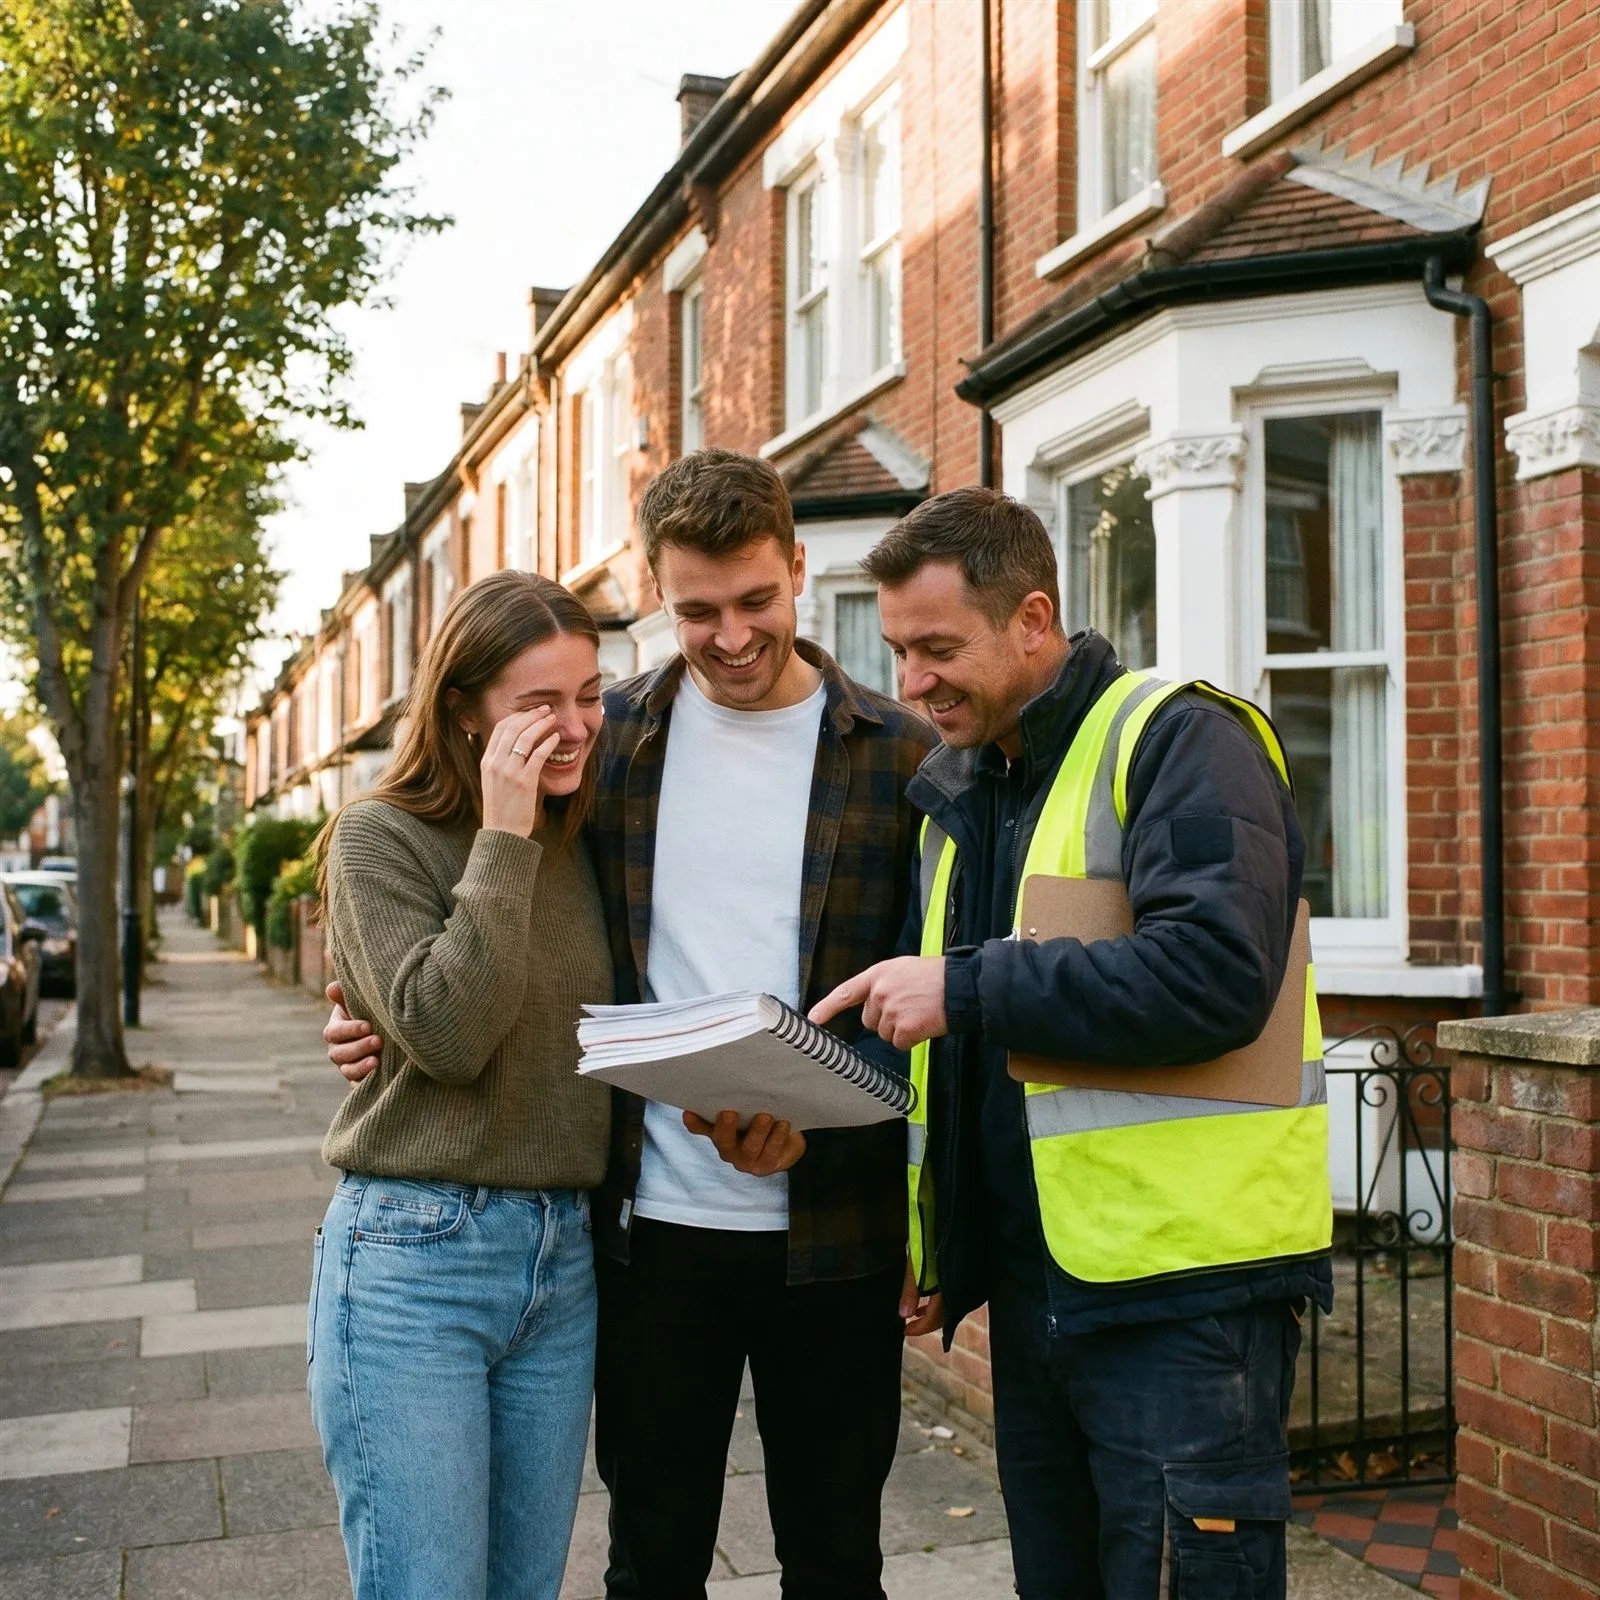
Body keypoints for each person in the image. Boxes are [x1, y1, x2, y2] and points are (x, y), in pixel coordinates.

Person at [326, 449, 936, 1600]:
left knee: (837, 1561)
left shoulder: (903, 757)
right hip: (645, 1235)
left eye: (758, 599)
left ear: (800, 567)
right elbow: (502, 929)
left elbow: (929, 989)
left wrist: (827, 1115)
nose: (734, 635)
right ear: (655, 595)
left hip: (838, 1231)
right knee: (650, 1562)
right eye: (696, 610)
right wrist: (365, 1010)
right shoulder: (603, 745)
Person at [811, 487, 1335, 1600]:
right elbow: (962, 1063)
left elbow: (1216, 975)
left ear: (1034, 619)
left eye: (938, 647)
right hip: (1041, 1296)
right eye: (898, 650)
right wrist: (935, 1228)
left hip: (1183, 1302)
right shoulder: (969, 789)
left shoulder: (1184, 737)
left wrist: (965, 981)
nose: (910, 682)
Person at [308, 570, 614, 1600]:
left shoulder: (588, 836)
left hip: (562, 1261)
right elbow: (448, 1030)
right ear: (461, 709)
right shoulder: (377, 834)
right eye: (538, 705)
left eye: (590, 694)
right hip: (415, 1258)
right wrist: (503, 831)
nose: (572, 727)